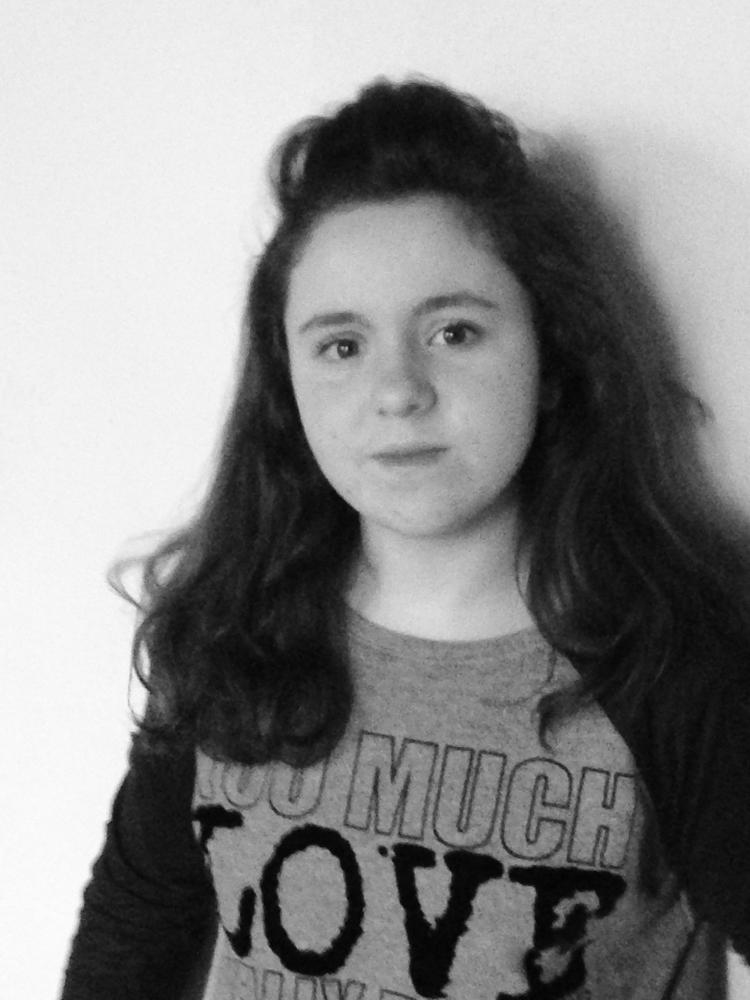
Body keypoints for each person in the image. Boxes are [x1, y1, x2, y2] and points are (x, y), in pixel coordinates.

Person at [61, 77, 750, 1000]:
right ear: (288, 385)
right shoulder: (232, 629)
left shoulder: (673, 664)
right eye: (342, 346)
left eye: (454, 332)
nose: (398, 390)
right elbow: (135, 926)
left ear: (551, 358)